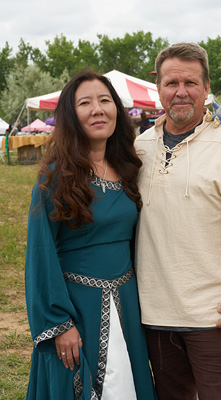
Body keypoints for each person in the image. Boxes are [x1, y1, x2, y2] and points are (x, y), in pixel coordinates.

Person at [134, 42, 221, 400]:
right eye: (171, 82)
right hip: (153, 313)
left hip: (214, 315)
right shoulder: (139, 148)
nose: (180, 91)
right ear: (158, 89)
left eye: (191, 82)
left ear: (207, 88)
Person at [25, 69, 157, 400]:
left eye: (105, 100)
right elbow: (40, 254)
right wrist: (60, 323)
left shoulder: (129, 169)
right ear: (72, 115)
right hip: (77, 308)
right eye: (85, 103)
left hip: (126, 303)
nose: (97, 109)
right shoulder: (55, 178)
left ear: (117, 109)